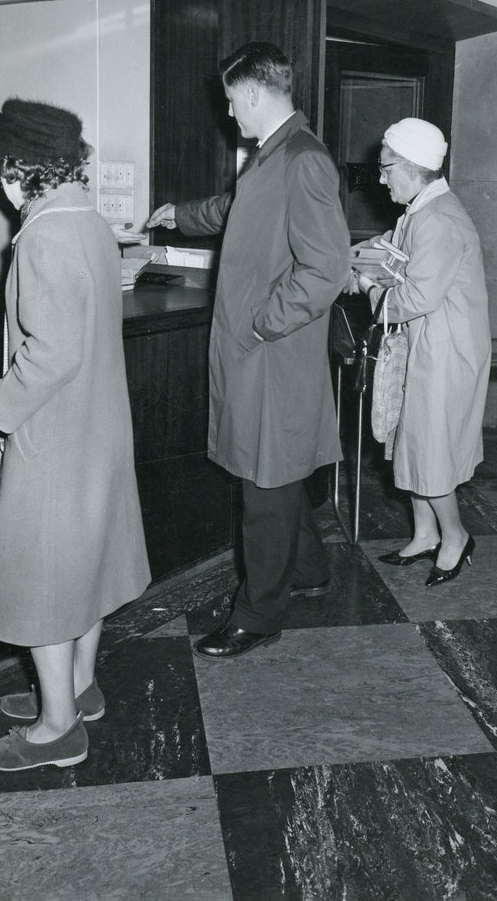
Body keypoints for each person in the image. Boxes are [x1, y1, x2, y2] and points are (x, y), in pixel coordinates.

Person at [0, 98, 151, 770]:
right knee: (83, 561)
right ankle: (80, 688)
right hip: (97, 425)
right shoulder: (88, 220)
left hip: (54, 435)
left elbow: (48, 353)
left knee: (42, 576)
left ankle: (57, 730)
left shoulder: (46, 234)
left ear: (22, 165)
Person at [147, 41, 350, 659]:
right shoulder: (274, 155)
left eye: (233, 100)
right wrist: (174, 215)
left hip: (272, 352)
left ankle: (259, 615)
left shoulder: (303, 160)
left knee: (263, 485)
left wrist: (262, 324)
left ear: (256, 93)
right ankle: (311, 572)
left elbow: (325, 270)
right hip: (260, 350)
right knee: (276, 471)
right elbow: (234, 210)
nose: (230, 112)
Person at [349, 119, 491, 586]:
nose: (382, 177)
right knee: (408, 441)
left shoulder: (439, 219)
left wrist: (368, 284)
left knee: (430, 449)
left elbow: (414, 299)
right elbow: (395, 255)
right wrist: (362, 255)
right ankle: (425, 533)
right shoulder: (419, 211)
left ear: (411, 168)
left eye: (386, 168)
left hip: (445, 352)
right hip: (425, 346)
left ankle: (456, 537)